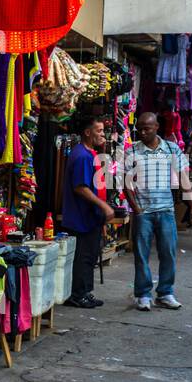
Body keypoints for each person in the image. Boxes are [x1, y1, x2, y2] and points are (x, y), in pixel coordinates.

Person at [126, 113, 192, 309]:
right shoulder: (132, 151)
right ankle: (143, 294)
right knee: (142, 254)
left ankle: (165, 292)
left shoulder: (172, 149)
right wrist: (136, 208)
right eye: (139, 128)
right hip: (143, 212)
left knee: (168, 253)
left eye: (146, 128)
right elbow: (126, 183)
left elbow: (184, 179)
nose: (142, 132)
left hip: (165, 210)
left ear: (157, 127)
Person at [61, 116, 114, 309]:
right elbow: (80, 187)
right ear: (88, 132)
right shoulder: (82, 155)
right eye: (99, 131)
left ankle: (85, 291)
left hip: (90, 217)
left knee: (90, 254)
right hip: (81, 217)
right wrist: (104, 206)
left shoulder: (90, 153)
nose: (103, 135)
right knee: (83, 257)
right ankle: (78, 294)